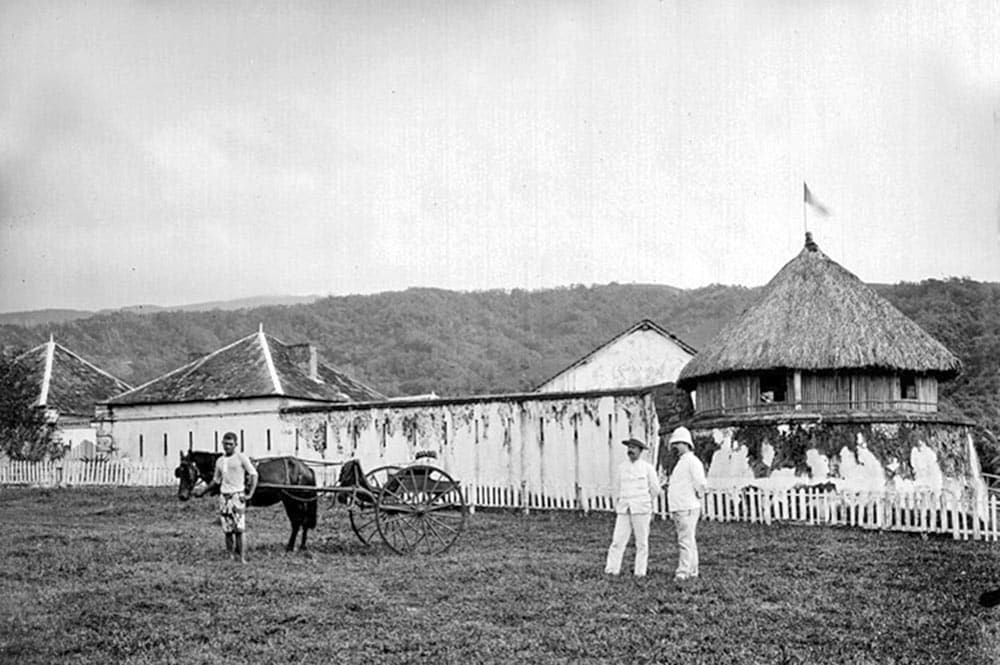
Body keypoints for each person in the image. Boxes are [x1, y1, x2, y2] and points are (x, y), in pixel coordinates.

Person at [196, 431, 258, 563]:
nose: (227, 446)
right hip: (224, 497)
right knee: (227, 530)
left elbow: (254, 474)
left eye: (230, 444)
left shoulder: (241, 458)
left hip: (237, 496)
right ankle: (230, 557)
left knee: (239, 530)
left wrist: (250, 494)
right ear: (222, 444)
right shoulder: (220, 461)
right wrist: (203, 492)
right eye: (225, 444)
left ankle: (241, 558)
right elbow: (216, 481)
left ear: (236, 444)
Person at [604, 437, 661, 578]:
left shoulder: (647, 468)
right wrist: (618, 503)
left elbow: (655, 489)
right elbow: (617, 488)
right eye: (629, 448)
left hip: (641, 509)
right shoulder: (622, 468)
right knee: (617, 541)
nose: (630, 450)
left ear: (640, 451)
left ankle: (640, 572)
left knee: (641, 542)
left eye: (634, 448)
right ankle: (612, 570)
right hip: (624, 509)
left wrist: (645, 502)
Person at [665, 426, 707, 581]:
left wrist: (696, 497)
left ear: (686, 443)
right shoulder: (683, 462)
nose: (675, 447)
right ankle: (692, 570)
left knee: (685, 541)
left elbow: (701, 483)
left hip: (687, 506)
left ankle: (683, 572)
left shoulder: (692, 461)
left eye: (677, 443)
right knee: (688, 540)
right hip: (681, 506)